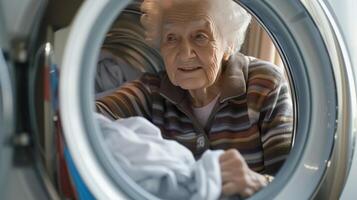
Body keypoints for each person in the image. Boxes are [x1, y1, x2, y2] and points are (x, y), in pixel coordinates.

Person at [96, 0, 293, 197]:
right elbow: (87, 119)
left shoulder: (264, 84)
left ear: (229, 44)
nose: (185, 53)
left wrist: (257, 182)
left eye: (200, 36)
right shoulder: (152, 91)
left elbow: (295, 181)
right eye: (171, 38)